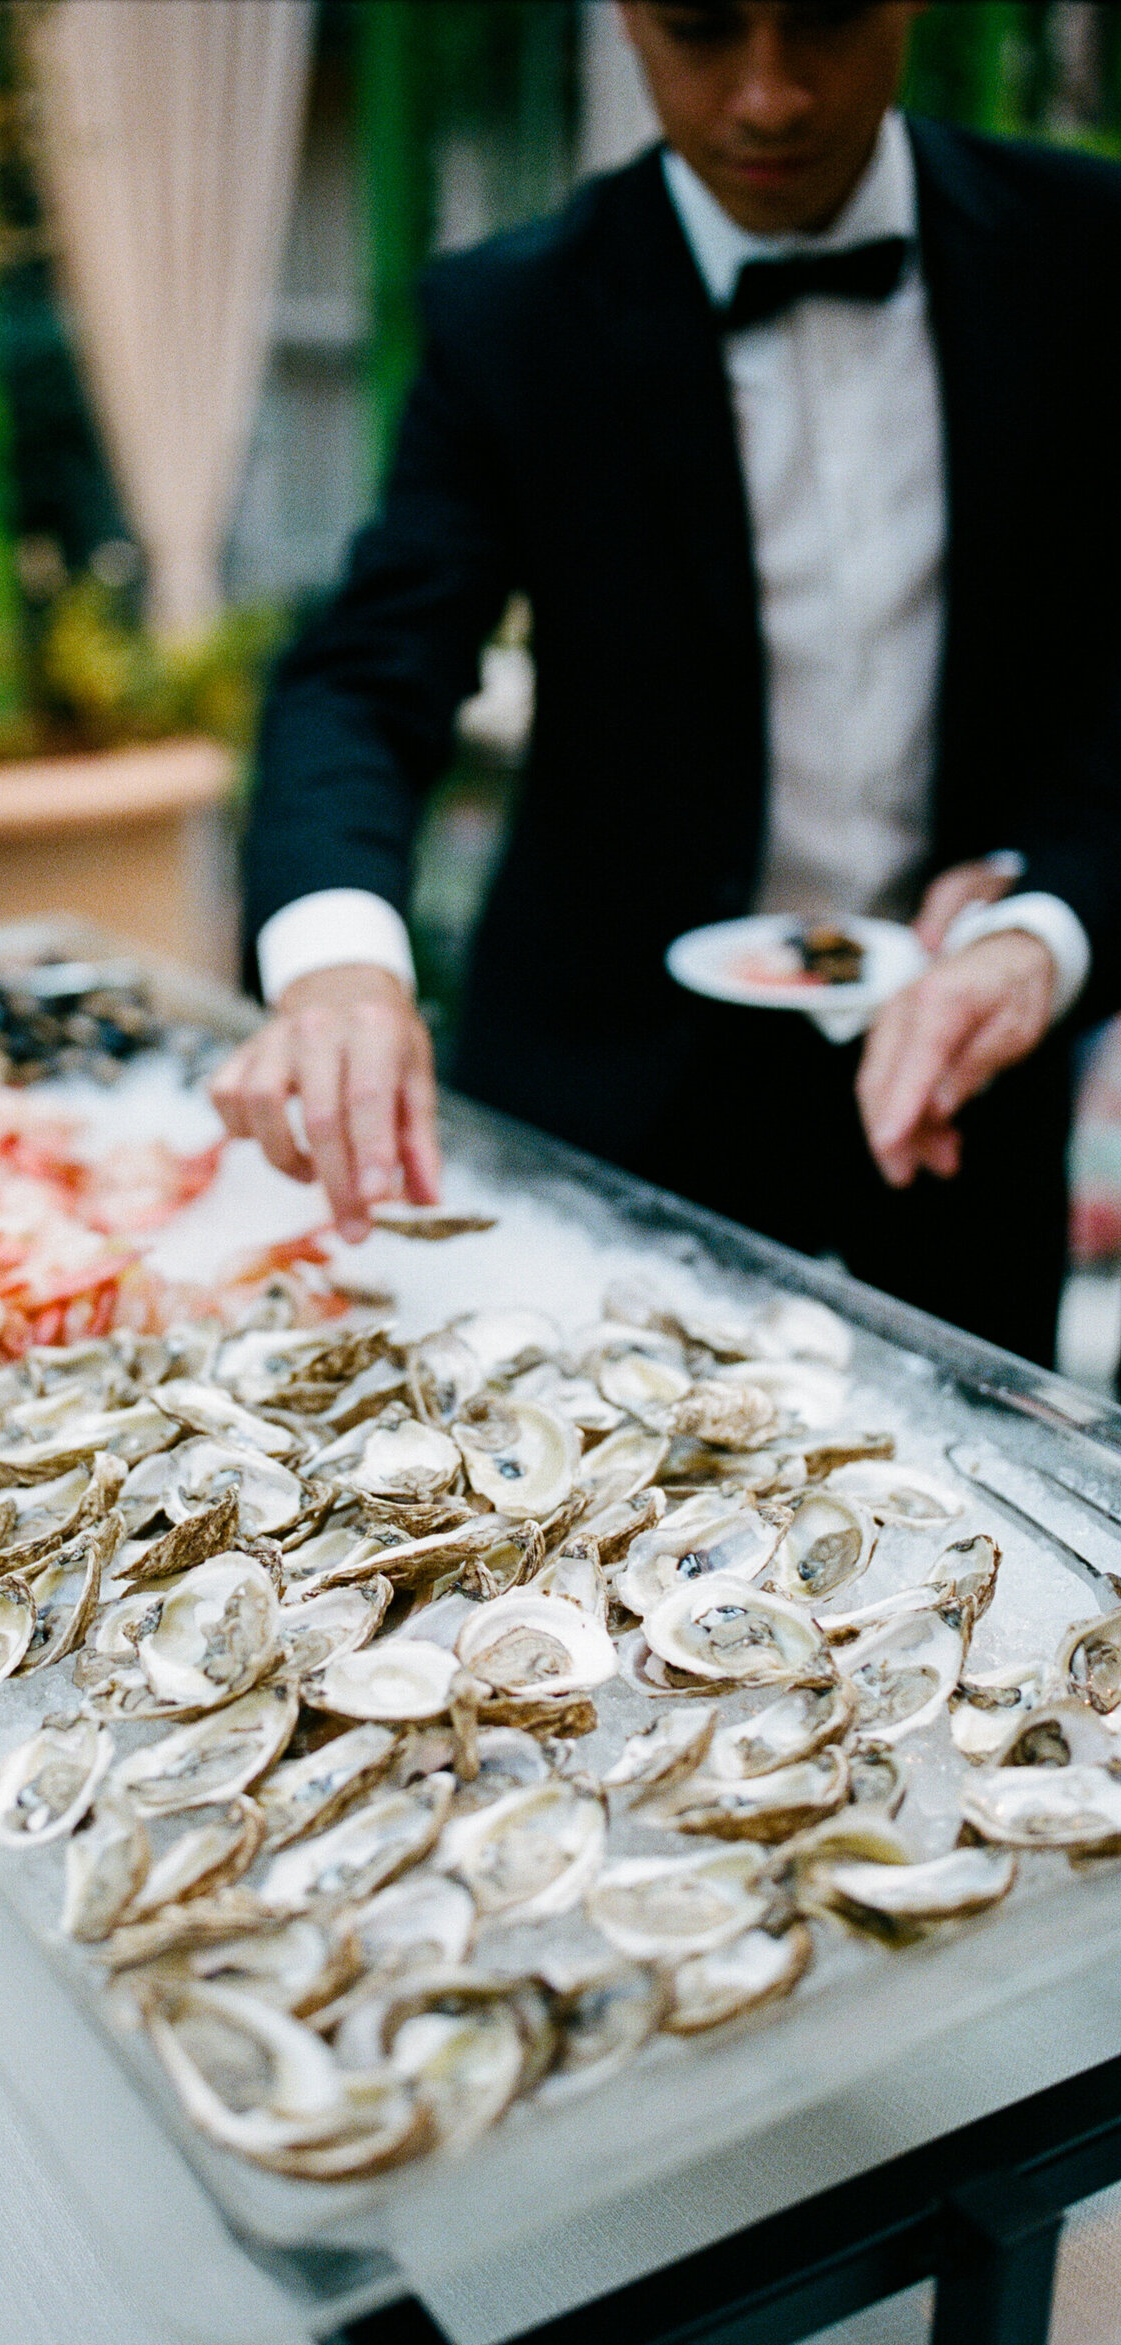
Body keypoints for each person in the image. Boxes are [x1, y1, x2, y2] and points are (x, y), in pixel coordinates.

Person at [213, 0, 1121, 1370]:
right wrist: (338, 961)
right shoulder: (512, 314)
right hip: (612, 1089)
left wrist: (1047, 917)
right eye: (701, 29)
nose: (768, 96)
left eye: (820, 19)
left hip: (966, 1092)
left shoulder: (1089, 250)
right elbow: (365, 671)